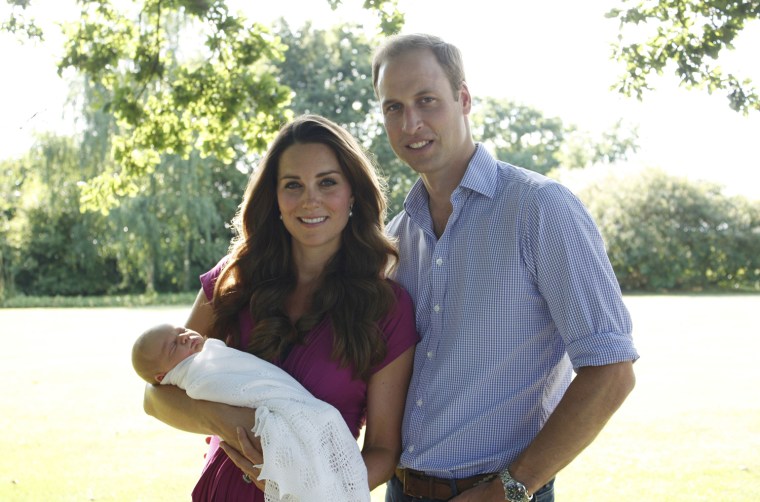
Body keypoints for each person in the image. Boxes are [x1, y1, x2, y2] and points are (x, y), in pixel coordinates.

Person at [371, 33, 639, 502]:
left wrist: (511, 489)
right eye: (393, 107)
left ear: (464, 99)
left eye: (426, 100)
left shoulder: (539, 208)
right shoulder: (397, 235)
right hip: (401, 490)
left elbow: (612, 370)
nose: (410, 123)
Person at [142, 114, 418, 501]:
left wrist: (309, 488)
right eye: (293, 185)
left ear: (352, 193)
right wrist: (229, 421)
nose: (310, 199)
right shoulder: (234, 279)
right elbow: (155, 397)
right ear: (274, 197)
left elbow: (384, 452)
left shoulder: (388, 308)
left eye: (327, 182)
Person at [132, 323, 370, 501]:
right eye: (173, 345)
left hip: (303, 418)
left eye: (180, 330)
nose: (184, 337)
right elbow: (152, 398)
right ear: (163, 376)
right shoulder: (196, 377)